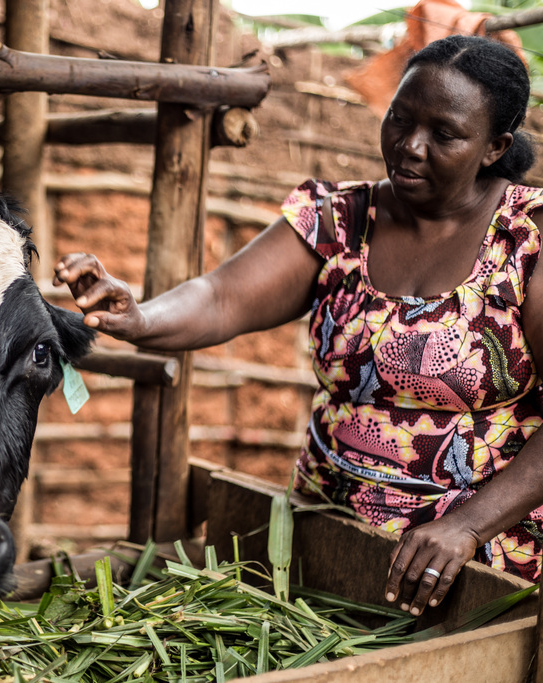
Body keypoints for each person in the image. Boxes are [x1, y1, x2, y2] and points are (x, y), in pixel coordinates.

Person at [54, 34, 543, 618]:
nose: (410, 146)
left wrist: (465, 526)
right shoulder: (341, 218)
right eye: (400, 118)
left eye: (444, 134)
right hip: (321, 551)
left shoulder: (527, 239)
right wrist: (139, 317)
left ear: (495, 147)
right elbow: (221, 297)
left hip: (472, 572)